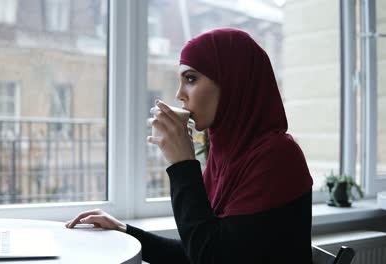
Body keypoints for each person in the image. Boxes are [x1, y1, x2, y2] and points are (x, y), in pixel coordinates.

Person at [66, 28, 313, 264]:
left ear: (232, 82)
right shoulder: (226, 155)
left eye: (191, 79)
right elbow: (200, 251)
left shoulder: (277, 157)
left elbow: (211, 259)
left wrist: (183, 164)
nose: (179, 94)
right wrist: (125, 231)